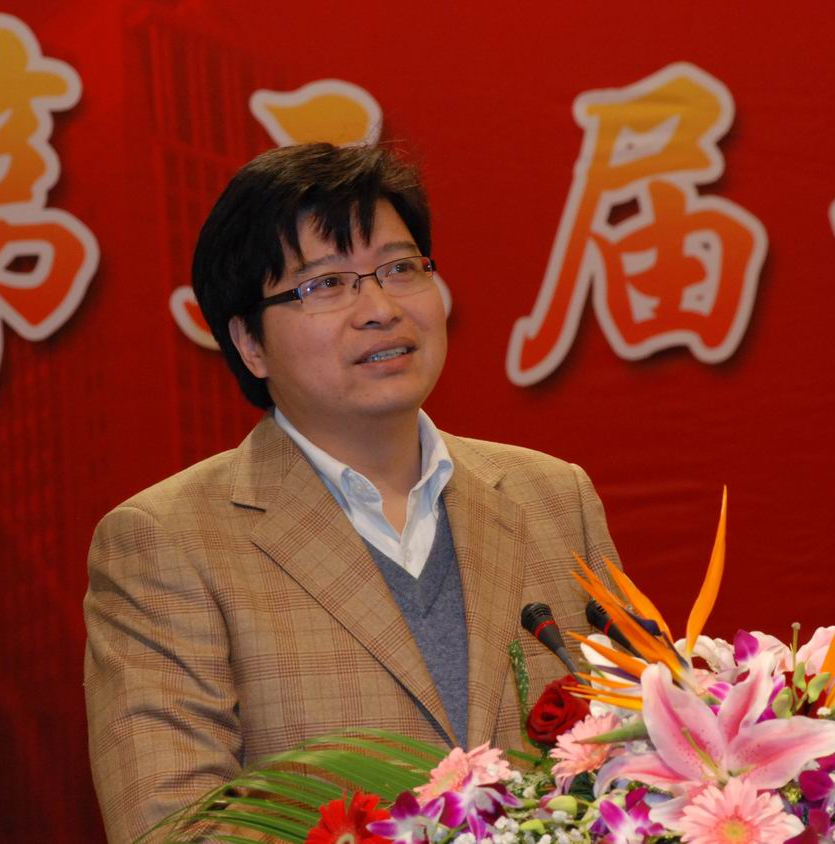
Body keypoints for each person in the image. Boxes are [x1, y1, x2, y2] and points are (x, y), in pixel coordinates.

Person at [84, 143, 619, 843]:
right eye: (326, 284)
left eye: (400, 269)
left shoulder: (553, 497)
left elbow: (646, 759)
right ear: (249, 342)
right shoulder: (168, 543)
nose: (380, 308)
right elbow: (174, 830)